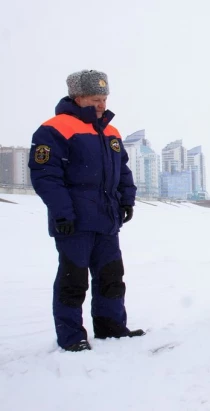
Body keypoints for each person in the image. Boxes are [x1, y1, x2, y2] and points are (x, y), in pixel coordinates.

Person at [29, 70, 144, 352]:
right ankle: (72, 337)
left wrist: (126, 200)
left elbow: (123, 171)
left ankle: (111, 327)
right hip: (75, 222)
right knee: (73, 281)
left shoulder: (110, 132)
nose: (102, 104)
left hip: (106, 221)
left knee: (111, 277)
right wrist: (62, 213)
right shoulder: (54, 129)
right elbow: (46, 176)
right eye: (95, 99)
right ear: (77, 98)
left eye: (104, 98)